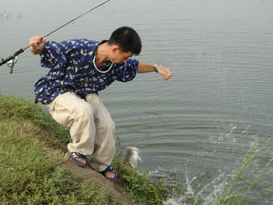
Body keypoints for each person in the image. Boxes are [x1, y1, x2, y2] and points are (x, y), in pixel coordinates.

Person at [29, 26, 172, 181]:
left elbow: (134, 66)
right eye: (125, 57)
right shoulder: (79, 47)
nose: (125, 61)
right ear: (115, 49)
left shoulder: (116, 62)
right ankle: (78, 150)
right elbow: (44, 49)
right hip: (56, 90)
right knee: (84, 110)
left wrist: (156, 68)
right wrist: (36, 45)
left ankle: (101, 164)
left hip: (84, 92)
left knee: (107, 124)